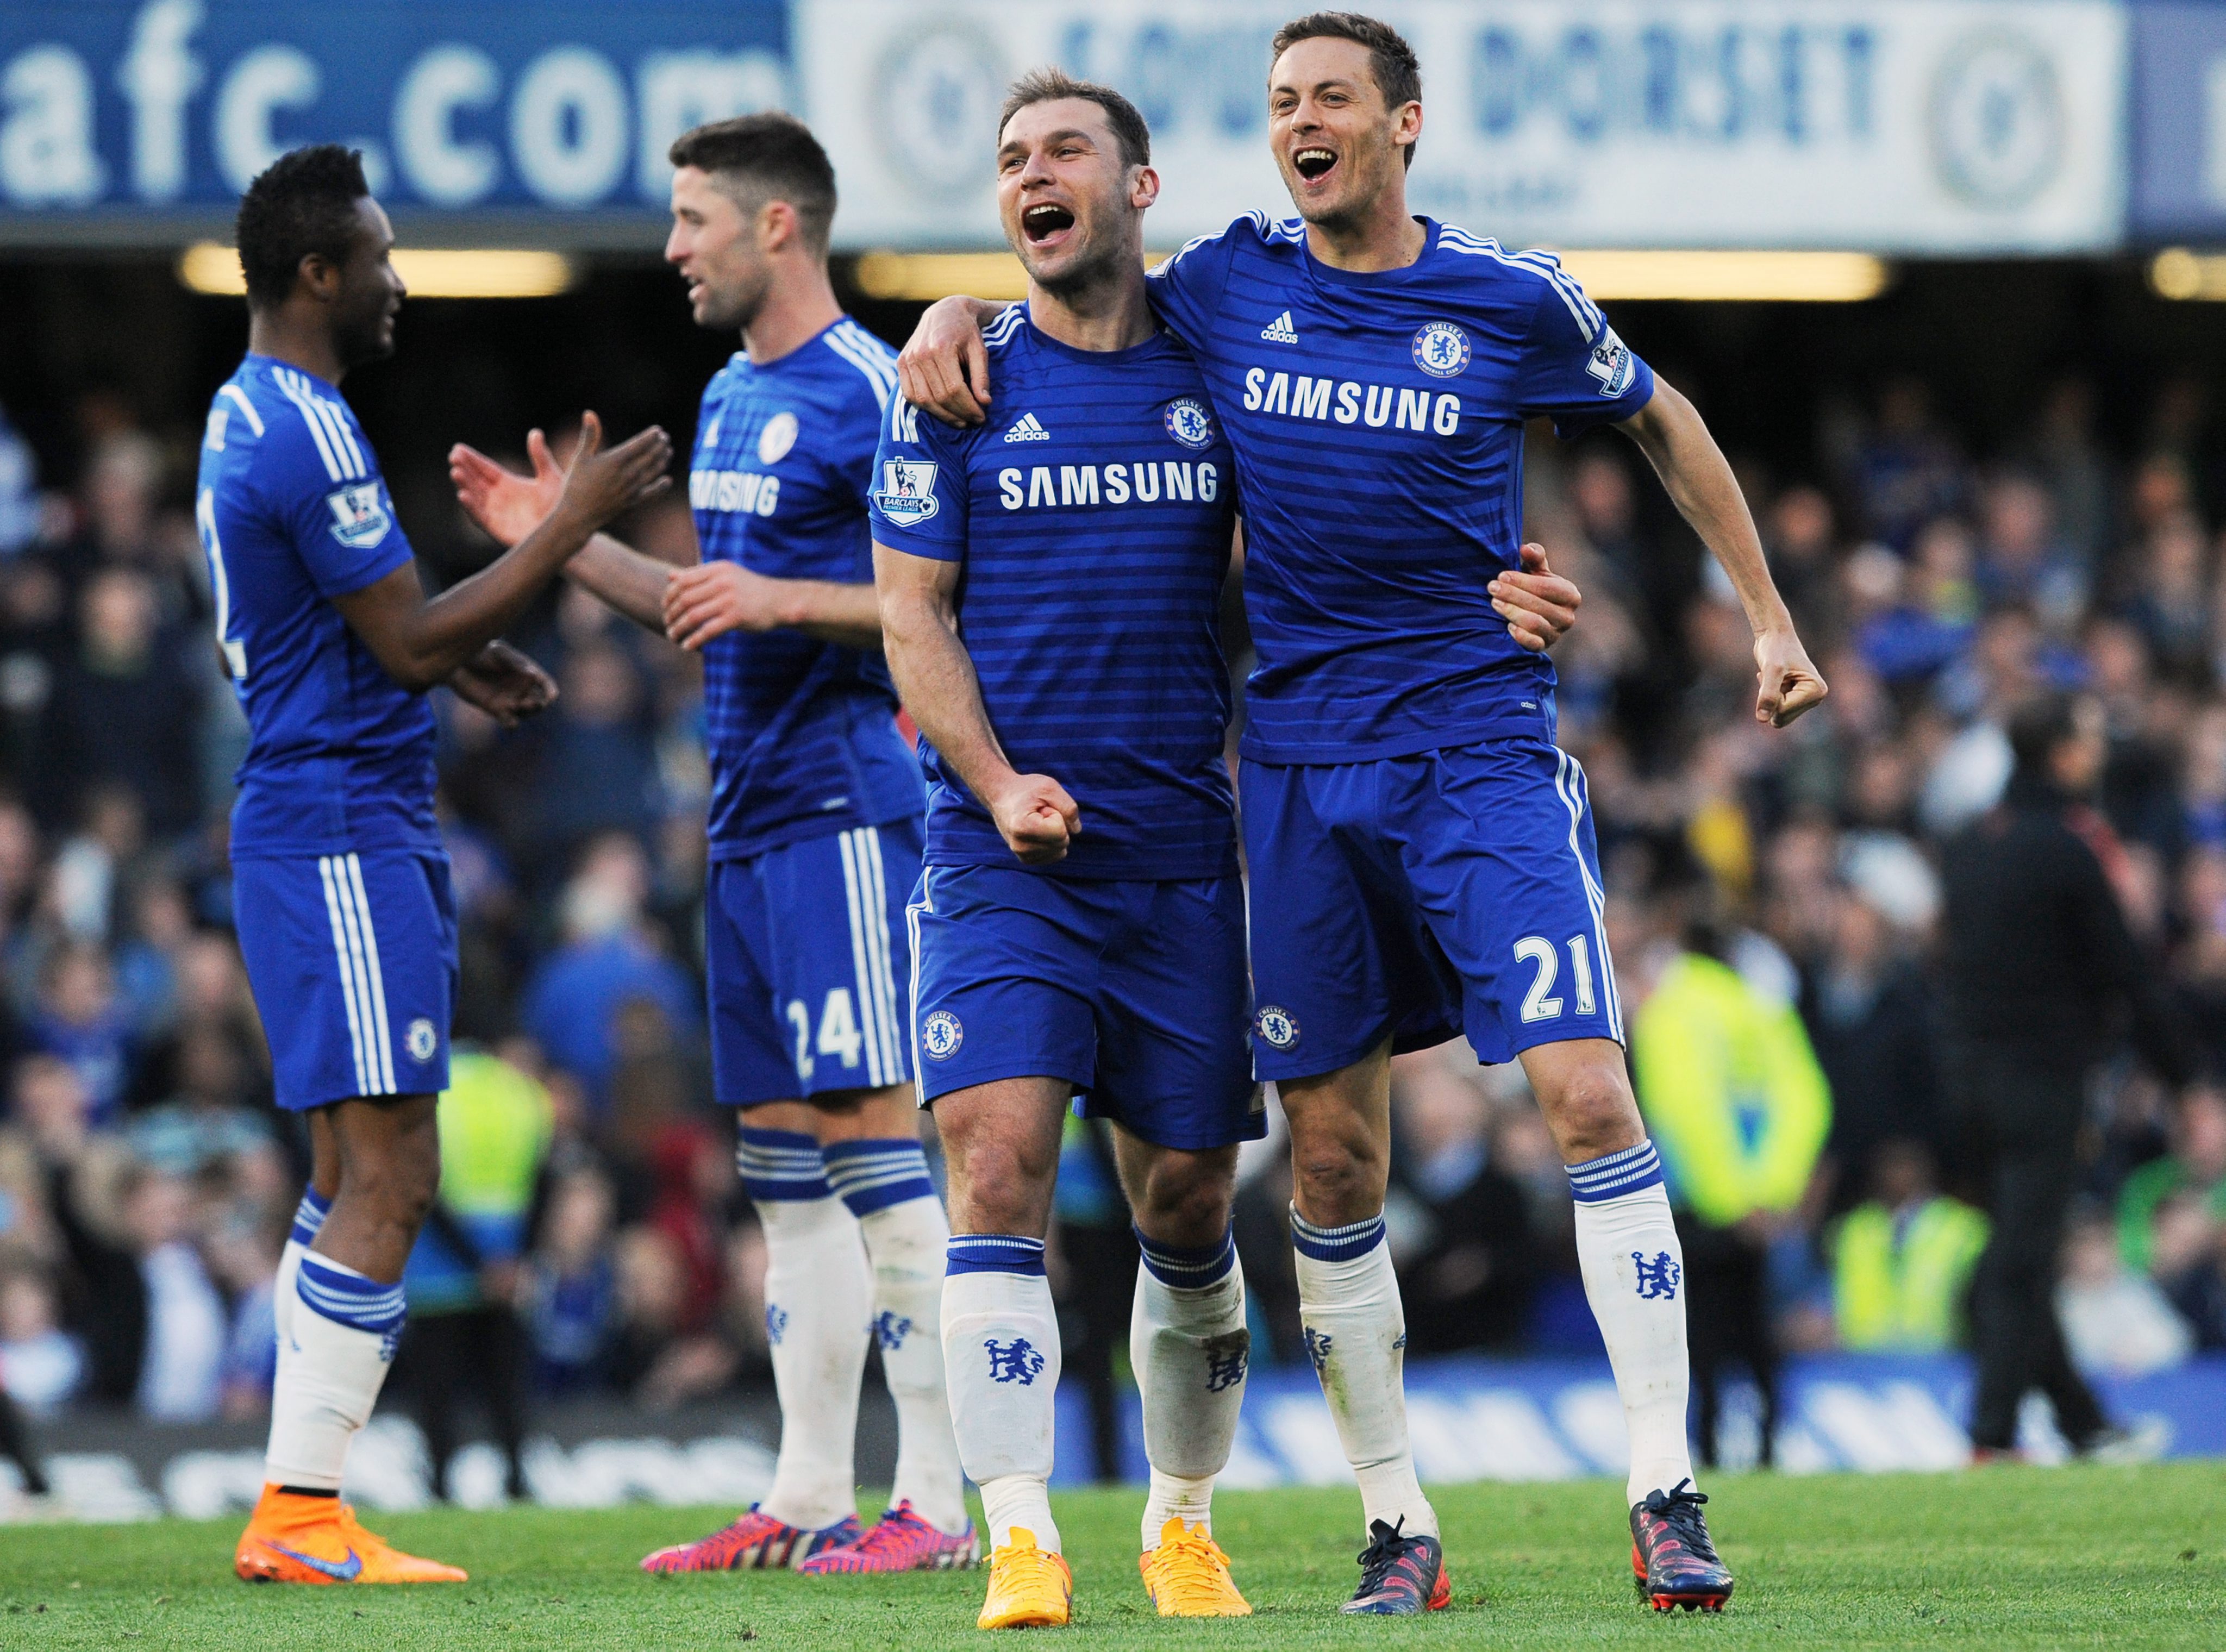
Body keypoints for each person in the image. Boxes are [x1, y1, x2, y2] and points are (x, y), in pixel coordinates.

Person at [897, 10, 1825, 1615]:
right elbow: (1081, 297)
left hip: (1476, 746)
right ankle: (1396, 1519)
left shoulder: (1506, 293)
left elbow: (1660, 414)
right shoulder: (1222, 286)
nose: (1300, 122)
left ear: (1403, 120)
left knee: (1588, 1089)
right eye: (1280, 103)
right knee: (1327, 1158)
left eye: (1329, 98)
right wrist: (949, 311)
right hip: (1301, 777)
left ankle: (1664, 1487)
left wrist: (1766, 617)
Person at [874, 72, 1580, 1627]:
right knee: (993, 1164)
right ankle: (1016, 1535)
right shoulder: (951, 380)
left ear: (1139, 189)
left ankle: (1181, 1523)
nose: (1029, 178)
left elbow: (1354, 520)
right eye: (1007, 163)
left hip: (1189, 857)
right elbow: (909, 612)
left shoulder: (1222, 357)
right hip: (1005, 853)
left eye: (1063, 152)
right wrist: (993, 783)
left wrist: (1491, 592)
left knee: (1189, 1201)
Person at [448, 114, 973, 1575]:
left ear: (778, 227)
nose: (673, 248)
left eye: (693, 219)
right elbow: (706, 602)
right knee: (780, 1168)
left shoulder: (877, 389)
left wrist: (783, 602)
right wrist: (557, 535)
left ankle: (930, 1502)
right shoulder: (735, 396)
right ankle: (808, 1495)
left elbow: (959, 595)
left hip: (844, 814)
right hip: (740, 825)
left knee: (876, 1139)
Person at [206, 144, 670, 1585]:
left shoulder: (261, 411)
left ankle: (301, 1501)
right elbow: (400, 638)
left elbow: (370, 628)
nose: (402, 282)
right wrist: (573, 527)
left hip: (327, 815)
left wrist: (462, 659)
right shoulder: (303, 426)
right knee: (394, 1174)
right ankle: (298, 1510)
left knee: (350, 1164)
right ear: (318, 272)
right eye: (385, 257)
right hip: (341, 827)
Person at [1941, 692, 2202, 1461]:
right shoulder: (2066, 846)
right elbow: (2129, 973)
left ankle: (2083, 1423)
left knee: (2018, 1249)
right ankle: (1991, 1438)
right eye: (2088, 736)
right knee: (2020, 1264)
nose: (2098, 749)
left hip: (1970, 1082)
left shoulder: (1969, 843)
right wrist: (2187, 1081)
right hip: (2042, 1082)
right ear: (2062, 754)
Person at [1631, 906, 1831, 1469]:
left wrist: (1729, 1200)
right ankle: (1769, 1447)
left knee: (1702, 1338)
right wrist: (1772, 1192)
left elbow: (1687, 1112)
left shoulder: (1670, 1013)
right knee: (1759, 1335)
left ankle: (1710, 1454)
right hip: (1766, 1207)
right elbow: (1804, 1100)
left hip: (1702, 1206)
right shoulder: (1763, 1009)